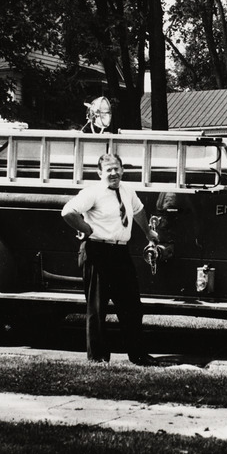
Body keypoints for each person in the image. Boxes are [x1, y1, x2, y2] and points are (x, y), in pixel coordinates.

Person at [61, 153, 161, 367]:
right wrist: (86, 229)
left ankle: (138, 355)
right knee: (98, 308)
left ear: (122, 170)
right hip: (97, 251)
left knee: (132, 306)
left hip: (120, 252)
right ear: (100, 173)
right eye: (108, 170)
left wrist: (148, 233)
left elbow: (138, 211)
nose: (113, 173)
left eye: (117, 169)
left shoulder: (127, 190)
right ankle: (97, 358)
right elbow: (68, 212)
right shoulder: (93, 193)